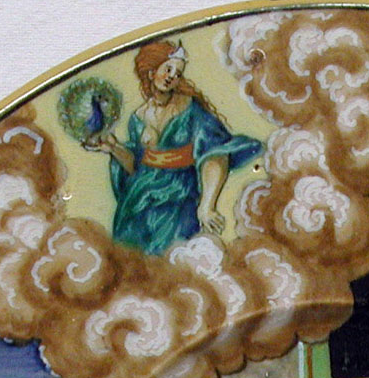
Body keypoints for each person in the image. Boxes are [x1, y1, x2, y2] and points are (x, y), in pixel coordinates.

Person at [86, 40, 262, 254]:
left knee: (173, 261)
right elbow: (136, 167)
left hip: (178, 201)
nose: (172, 76)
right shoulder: (137, 117)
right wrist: (114, 148)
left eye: (178, 73)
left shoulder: (190, 110)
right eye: (168, 69)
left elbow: (215, 154)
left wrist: (207, 205)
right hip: (137, 206)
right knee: (132, 263)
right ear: (151, 72)